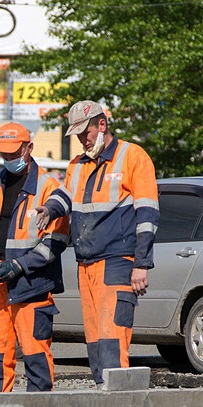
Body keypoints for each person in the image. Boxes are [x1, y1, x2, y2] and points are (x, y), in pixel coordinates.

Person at [35, 100, 159, 385]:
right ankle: (104, 401)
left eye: (85, 132)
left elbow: (148, 214)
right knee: (94, 340)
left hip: (117, 261)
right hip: (86, 264)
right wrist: (50, 209)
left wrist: (141, 264)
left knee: (113, 339)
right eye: (77, 134)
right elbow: (65, 194)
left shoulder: (132, 156)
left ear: (102, 125)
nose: (82, 139)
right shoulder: (78, 164)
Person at [0, 122, 70, 392]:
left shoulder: (48, 186)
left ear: (29, 148)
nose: (9, 158)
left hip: (31, 283)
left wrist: (20, 266)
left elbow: (56, 241)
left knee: (35, 351)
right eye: (5, 154)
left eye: (14, 153)